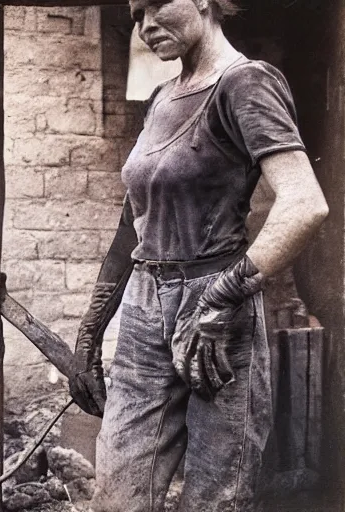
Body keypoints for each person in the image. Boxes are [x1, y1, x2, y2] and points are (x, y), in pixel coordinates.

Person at [68, 1, 329, 511]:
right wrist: (90, 330)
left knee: (216, 496)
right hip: (145, 307)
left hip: (215, 312)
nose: (144, 26)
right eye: (136, 14)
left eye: (156, 5)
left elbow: (304, 203)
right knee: (118, 496)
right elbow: (132, 224)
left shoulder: (246, 83)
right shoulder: (162, 97)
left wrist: (221, 297)